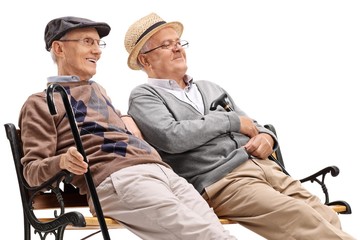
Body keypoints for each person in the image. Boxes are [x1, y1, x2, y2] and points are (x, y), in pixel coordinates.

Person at [124, 13, 355, 240]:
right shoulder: (145, 96)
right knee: (302, 218)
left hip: (265, 168)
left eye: (178, 42)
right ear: (145, 60)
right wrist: (230, 121)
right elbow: (173, 137)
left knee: (325, 215)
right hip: (222, 181)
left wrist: (267, 138)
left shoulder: (209, 87)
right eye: (166, 45)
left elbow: (251, 124)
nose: (177, 49)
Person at [18, 16, 237, 240]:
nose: (97, 51)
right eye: (87, 41)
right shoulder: (41, 103)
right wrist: (62, 162)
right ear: (59, 48)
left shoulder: (99, 91)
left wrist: (126, 120)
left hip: (163, 173)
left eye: (98, 43)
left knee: (218, 233)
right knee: (207, 236)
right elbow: (32, 173)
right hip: (119, 180)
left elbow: (104, 129)